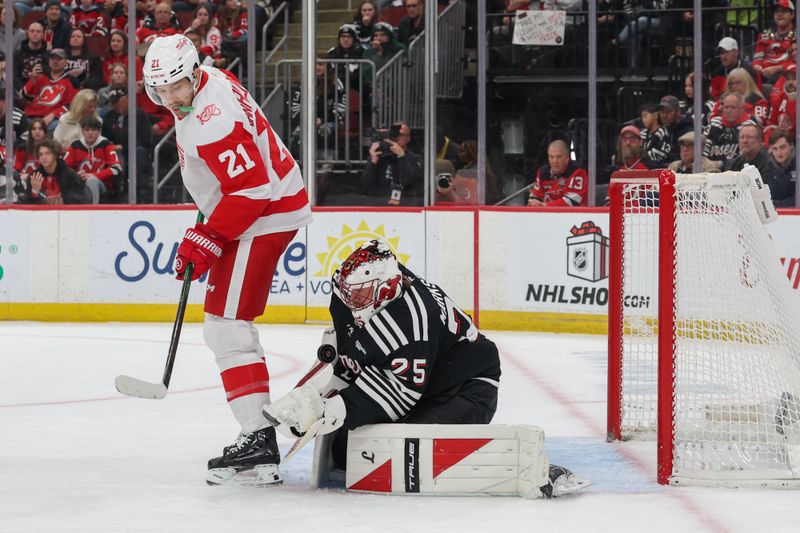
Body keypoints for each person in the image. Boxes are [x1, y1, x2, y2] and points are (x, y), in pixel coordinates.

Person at [142, 34, 312, 486]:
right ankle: (257, 437)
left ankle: (258, 440)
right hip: (266, 205)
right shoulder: (212, 79)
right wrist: (211, 213)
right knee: (225, 322)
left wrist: (209, 235)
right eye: (162, 90)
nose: (172, 98)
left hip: (265, 212)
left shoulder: (210, 121)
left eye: (178, 85)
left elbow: (251, 188)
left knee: (226, 324)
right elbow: (234, 175)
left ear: (193, 73)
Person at [360, 121, 424, 205]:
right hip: (379, 207)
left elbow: (408, 181)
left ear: (408, 139)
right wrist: (373, 162)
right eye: (394, 134)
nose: (397, 138)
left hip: (406, 207)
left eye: (401, 135)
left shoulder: (415, 158)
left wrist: (401, 156)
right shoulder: (379, 156)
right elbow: (366, 185)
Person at [63, 116, 122, 203]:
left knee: (92, 181)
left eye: (93, 130)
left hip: (103, 186)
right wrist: (76, 174)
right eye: (87, 130)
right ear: (82, 132)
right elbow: (64, 169)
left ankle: (93, 210)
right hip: (80, 183)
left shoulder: (106, 145)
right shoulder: (75, 146)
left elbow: (116, 169)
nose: (90, 133)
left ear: (99, 131)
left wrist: (94, 175)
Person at [21, 48, 78, 129]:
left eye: (59, 59)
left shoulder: (72, 81)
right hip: (30, 116)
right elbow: (25, 97)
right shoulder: (40, 76)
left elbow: (71, 106)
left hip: (53, 119)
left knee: (57, 125)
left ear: (66, 62)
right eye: (52, 58)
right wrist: (33, 79)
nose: (55, 61)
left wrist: (53, 115)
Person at [20, 138, 86, 204]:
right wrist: (35, 192)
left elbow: (78, 200)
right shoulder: (33, 177)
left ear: (55, 155)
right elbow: (26, 203)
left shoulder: (70, 175)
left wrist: (62, 200)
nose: (44, 157)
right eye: (41, 154)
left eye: (47, 153)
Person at [703, 92, 759, 168]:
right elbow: (704, 147)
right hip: (710, 169)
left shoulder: (749, 126)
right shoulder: (715, 123)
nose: (729, 110)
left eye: (733, 107)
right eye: (726, 107)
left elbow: (745, 156)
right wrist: (705, 162)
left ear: (742, 109)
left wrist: (721, 164)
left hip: (737, 170)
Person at [527, 139, 588, 207]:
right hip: (548, 215)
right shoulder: (542, 172)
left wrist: (544, 205)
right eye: (551, 157)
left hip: (575, 215)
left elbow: (571, 202)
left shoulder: (578, 172)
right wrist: (534, 203)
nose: (555, 161)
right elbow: (536, 196)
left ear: (567, 158)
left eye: (559, 157)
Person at [753, 0, 796, 84]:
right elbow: (758, 58)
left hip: (786, 74)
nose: (779, 14)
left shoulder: (796, 36)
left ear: (792, 14)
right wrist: (757, 66)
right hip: (762, 73)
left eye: (784, 11)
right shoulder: (765, 36)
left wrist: (778, 68)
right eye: (777, 11)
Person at [709, 37, 761, 101]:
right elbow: (714, 98)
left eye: (727, 52)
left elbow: (757, 96)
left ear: (736, 52)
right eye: (721, 53)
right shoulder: (716, 74)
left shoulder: (750, 71)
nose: (724, 56)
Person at [763, 129, 797, 206]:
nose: (779, 153)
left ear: (791, 145)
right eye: (775, 149)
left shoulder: (798, 165)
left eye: (783, 147)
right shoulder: (767, 167)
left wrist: (775, 205)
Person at [658, 95, 693, 163]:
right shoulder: (662, 131)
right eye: (662, 112)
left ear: (678, 112)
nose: (664, 115)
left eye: (668, 112)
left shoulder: (688, 131)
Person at [14, 20, 48, 86]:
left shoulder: (48, 55)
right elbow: (14, 76)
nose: (35, 34)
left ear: (43, 35)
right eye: (32, 31)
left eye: (38, 31)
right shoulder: (17, 54)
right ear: (28, 34)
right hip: (20, 90)